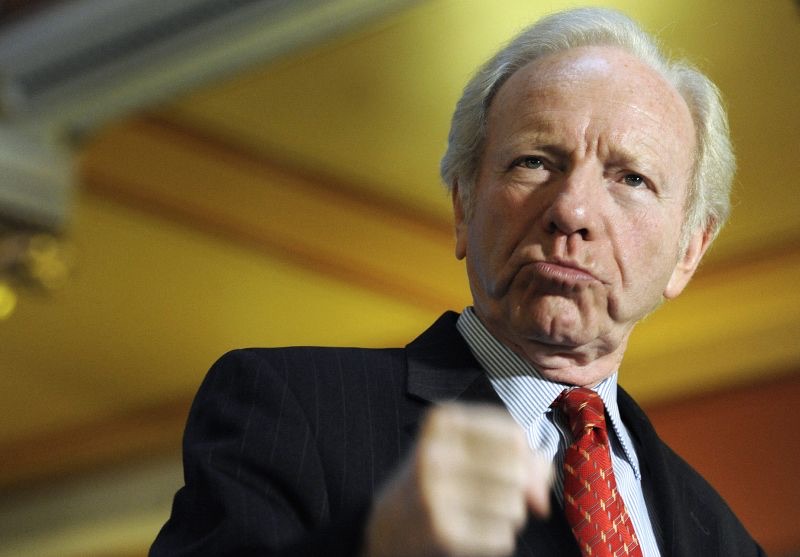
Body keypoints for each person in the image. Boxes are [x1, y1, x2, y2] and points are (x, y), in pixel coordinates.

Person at [151, 7, 764, 557]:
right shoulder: (290, 406)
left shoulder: (723, 536)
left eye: (630, 178)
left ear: (690, 250)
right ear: (464, 206)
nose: (572, 209)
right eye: (535, 161)